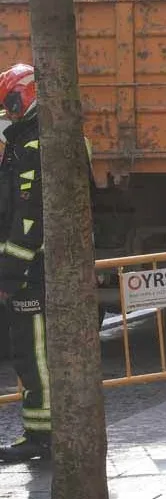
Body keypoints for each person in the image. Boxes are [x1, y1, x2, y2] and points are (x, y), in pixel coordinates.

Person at [0, 64, 51, 461]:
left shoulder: (35, 146)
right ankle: (39, 432)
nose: (8, 112)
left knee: (35, 355)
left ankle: (45, 436)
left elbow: (29, 218)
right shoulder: (25, 141)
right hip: (30, 270)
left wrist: (11, 272)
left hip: (32, 272)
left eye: (11, 102)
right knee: (28, 354)